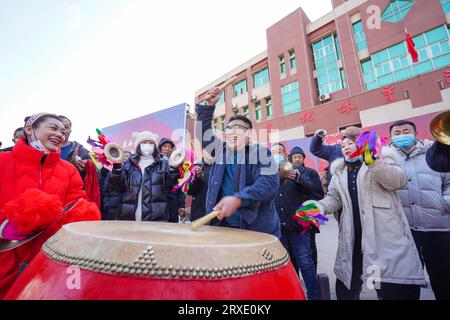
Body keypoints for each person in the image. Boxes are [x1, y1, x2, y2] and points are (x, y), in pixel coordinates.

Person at [307, 132, 425, 300]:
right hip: (352, 241)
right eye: (342, 145)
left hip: (382, 240)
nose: (345, 147)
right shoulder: (339, 172)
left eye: (350, 143)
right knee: (348, 289)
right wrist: (318, 207)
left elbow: (397, 181)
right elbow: (333, 198)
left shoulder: (381, 159)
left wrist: (372, 161)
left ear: (362, 144)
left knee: (388, 289)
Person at [0, 113, 100, 298]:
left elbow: (77, 202)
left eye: (63, 131)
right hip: (6, 257)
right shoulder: (3, 161)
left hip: (48, 257)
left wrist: (76, 216)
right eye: (53, 128)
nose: (60, 135)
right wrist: (11, 223)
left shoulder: (68, 170)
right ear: (30, 129)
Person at [197, 87, 280, 237]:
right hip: (221, 225)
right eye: (228, 128)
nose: (232, 131)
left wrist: (239, 199)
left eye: (238, 128)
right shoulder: (220, 150)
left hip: (254, 229)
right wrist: (209, 105)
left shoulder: (260, 153)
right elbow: (202, 132)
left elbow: (269, 183)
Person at [390, 120, 450, 300]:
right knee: (408, 281)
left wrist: (444, 203)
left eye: (406, 131)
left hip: (438, 228)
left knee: (444, 278)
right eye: (397, 133)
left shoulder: (435, 154)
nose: (402, 135)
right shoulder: (386, 159)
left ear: (416, 133)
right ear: (391, 138)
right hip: (404, 231)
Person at [275, 146, 323, 300]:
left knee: (305, 261)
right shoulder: (268, 173)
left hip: (299, 226)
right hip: (279, 228)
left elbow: (316, 191)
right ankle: (293, 294)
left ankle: (313, 295)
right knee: (285, 265)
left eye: (279, 152)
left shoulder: (298, 172)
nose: (277, 155)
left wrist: (298, 178)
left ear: (285, 155)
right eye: (273, 152)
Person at [104, 131, 179, 222]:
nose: (147, 145)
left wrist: (174, 170)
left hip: (155, 217)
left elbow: (170, 187)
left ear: (155, 146)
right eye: (144, 142)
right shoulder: (129, 163)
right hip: (129, 216)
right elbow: (117, 186)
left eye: (151, 143)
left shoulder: (163, 163)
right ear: (138, 145)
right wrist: (116, 169)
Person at [158, 138, 186, 223]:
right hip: (157, 204)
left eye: (170, 147)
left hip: (172, 205)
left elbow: (179, 188)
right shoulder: (154, 162)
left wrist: (181, 205)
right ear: (159, 148)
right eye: (165, 146)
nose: (167, 149)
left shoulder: (177, 165)